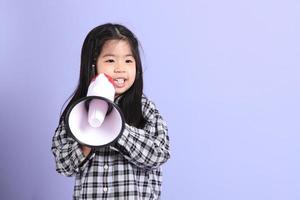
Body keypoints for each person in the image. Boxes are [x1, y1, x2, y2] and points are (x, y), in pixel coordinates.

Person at [51, 23, 170, 200]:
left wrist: (117, 129)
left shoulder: (145, 109)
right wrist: (87, 138)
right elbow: (63, 165)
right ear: (93, 64)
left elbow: (159, 154)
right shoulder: (77, 111)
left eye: (128, 60)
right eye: (110, 60)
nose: (120, 68)